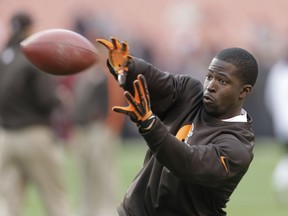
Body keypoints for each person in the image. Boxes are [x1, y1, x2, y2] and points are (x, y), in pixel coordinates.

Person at [97, 37, 258, 216]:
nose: (210, 86)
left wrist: (151, 126)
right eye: (209, 77)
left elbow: (188, 163)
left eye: (222, 81)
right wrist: (128, 66)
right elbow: (154, 81)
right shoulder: (189, 93)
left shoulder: (237, 147)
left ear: (244, 91)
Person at [0, 12, 71, 216]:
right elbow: (46, 99)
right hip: (33, 135)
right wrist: (61, 98)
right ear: (29, 28)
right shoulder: (32, 54)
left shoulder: (4, 58)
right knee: (55, 198)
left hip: (5, 137)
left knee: (7, 202)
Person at [264, 47, 288, 204]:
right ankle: (280, 181)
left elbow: (269, 100)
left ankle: (280, 181)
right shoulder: (279, 73)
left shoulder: (276, 72)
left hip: (281, 123)